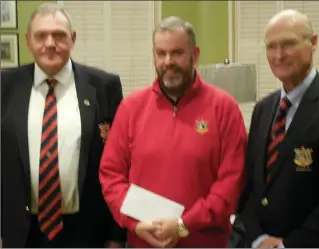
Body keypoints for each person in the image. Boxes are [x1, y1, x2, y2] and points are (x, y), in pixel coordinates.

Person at [99, 16, 247, 248]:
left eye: (177, 53)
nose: (168, 61)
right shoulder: (131, 108)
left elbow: (231, 184)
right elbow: (111, 174)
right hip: (142, 242)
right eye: (161, 53)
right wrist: (134, 224)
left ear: (194, 55)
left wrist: (182, 225)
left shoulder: (224, 109)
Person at [1, 3, 126, 248]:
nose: (50, 43)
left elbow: (120, 164)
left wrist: (116, 236)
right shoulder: (4, 86)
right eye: (41, 35)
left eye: (59, 35)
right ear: (28, 41)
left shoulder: (104, 87)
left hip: (87, 232)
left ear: (73, 38)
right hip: (19, 233)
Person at [239, 9, 319, 248]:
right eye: (271, 46)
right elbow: (251, 187)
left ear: (314, 43)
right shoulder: (263, 109)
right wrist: (258, 238)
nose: (279, 55)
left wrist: (287, 245)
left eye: (289, 44)